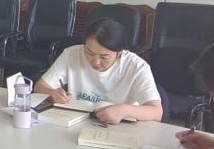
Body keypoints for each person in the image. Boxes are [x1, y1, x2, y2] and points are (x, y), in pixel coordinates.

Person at [34, 17, 162, 124]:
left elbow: (157, 112)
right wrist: (52, 93)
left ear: (119, 52)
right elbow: (40, 86)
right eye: (89, 52)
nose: (95, 61)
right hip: (77, 121)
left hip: (120, 126)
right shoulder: (72, 53)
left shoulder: (136, 67)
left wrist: (124, 111)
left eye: (104, 57)